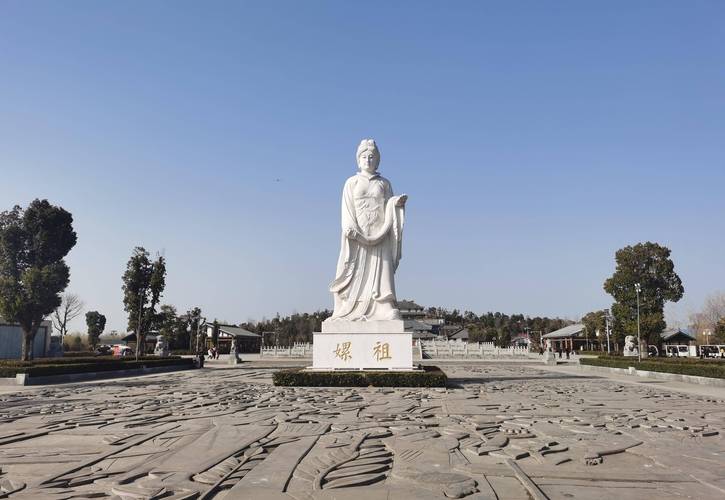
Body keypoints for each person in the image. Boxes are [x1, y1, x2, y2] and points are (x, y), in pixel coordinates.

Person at [328, 139, 408, 321]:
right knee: (351, 271)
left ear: (378, 160)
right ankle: (350, 306)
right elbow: (347, 209)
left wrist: (396, 203)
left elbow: (389, 205)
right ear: (358, 159)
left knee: (381, 269)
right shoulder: (351, 182)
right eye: (364, 156)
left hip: (380, 234)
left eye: (372, 156)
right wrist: (351, 229)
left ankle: (383, 305)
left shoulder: (384, 183)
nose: (368, 160)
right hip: (358, 235)